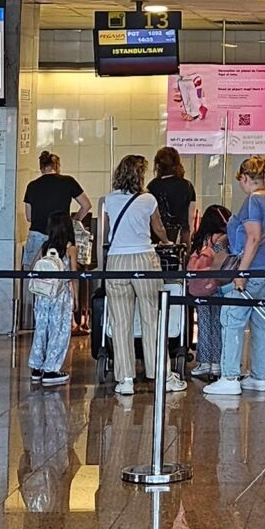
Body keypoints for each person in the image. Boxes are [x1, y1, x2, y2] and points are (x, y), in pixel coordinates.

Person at [205, 156, 265, 397]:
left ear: (245, 178)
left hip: (251, 268)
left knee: (232, 319)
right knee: (261, 324)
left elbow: (253, 237)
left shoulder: (252, 201)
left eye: (240, 180)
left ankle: (229, 376)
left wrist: (241, 273)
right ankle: (259, 377)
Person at [99, 154, 176, 396]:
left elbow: (106, 232)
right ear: (139, 176)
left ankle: (125, 379)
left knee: (120, 321)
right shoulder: (147, 199)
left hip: (116, 261)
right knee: (151, 317)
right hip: (144, 258)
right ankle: (159, 374)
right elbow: (158, 228)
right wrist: (166, 241)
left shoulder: (108, 200)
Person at [28, 211, 77, 387]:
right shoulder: (70, 248)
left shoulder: (44, 246)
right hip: (60, 295)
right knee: (59, 331)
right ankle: (51, 370)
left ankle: (36, 367)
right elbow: (73, 275)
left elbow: (32, 267)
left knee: (41, 329)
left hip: (43, 295)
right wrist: (76, 299)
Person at [23, 151, 90, 265]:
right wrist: (74, 221)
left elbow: (29, 217)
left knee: (32, 274)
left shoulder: (32, 186)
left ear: (41, 168)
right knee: (59, 275)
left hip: (36, 236)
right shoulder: (68, 181)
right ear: (57, 166)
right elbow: (86, 205)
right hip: (60, 236)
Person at [187, 205, 231, 379]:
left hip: (199, 287)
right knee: (218, 324)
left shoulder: (200, 240)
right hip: (216, 284)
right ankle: (217, 363)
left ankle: (204, 362)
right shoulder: (222, 239)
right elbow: (222, 259)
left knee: (204, 324)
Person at [147, 147, 196, 245]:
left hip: (158, 237)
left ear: (158, 165)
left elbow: (150, 216)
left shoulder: (152, 186)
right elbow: (191, 216)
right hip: (181, 235)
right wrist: (188, 237)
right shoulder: (187, 186)